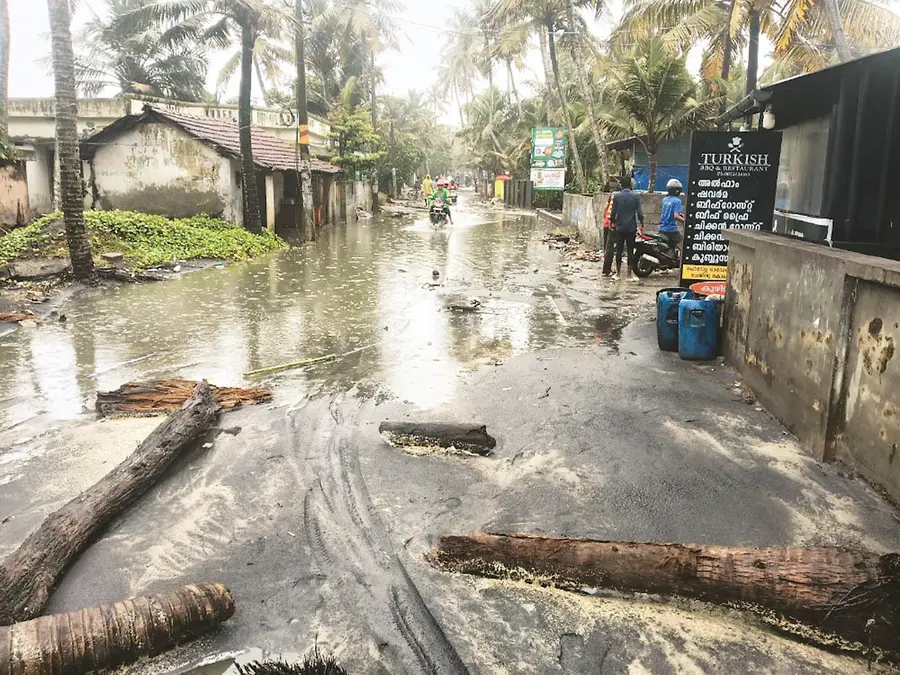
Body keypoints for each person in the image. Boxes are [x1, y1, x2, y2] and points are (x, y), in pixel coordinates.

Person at [602, 176, 644, 281]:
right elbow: (640, 213)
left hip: (619, 228)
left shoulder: (617, 196)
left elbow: (613, 213)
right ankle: (629, 275)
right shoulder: (635, 197)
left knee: (619, 250)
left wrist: (612, 224)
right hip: (631, 228)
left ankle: (618, 274)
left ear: (621, 185)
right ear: (630, 185)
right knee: (630, 250)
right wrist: (641, 225)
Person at [659, 178, 685, 253]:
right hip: (671, 230)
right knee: (683, 247)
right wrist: (684, 221)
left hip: (662, 229)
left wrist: (681, 215)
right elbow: (676, 216)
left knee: (669, 249)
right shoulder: (677, 201)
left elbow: (670, 212)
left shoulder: (665, 200)